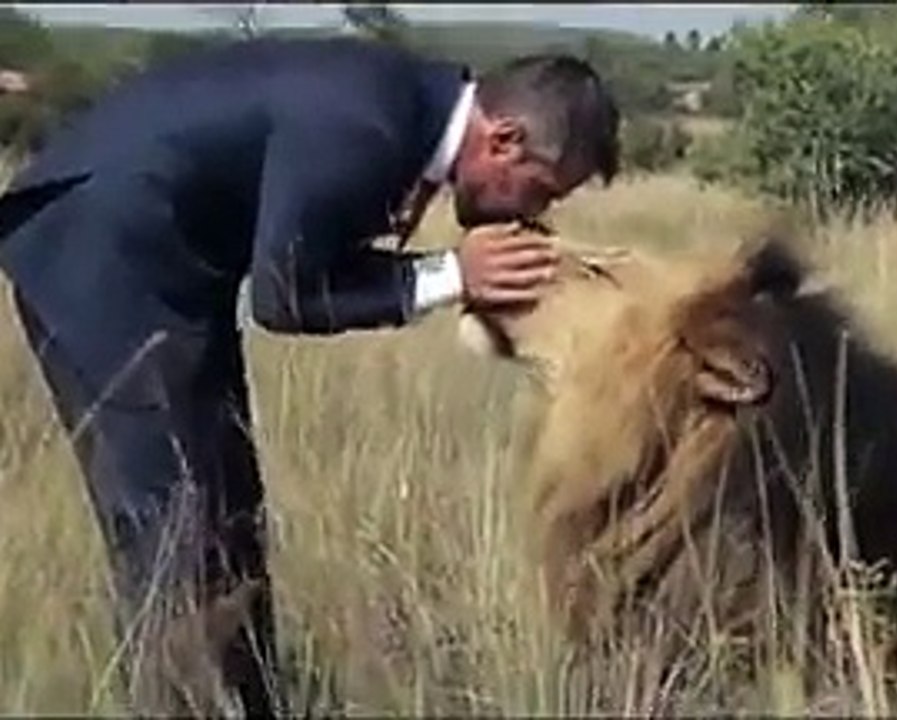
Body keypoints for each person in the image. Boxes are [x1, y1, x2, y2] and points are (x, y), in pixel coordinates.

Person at [0, 36, 620, 716]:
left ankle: (250, 702)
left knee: (226, 513)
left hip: (161, 262)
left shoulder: (406, 108)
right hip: (100, 252)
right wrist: (452, 274)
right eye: (542, 191)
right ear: (503, 140)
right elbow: (285, 297)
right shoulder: (370, 125)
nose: (534, 214)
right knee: (175, 526)